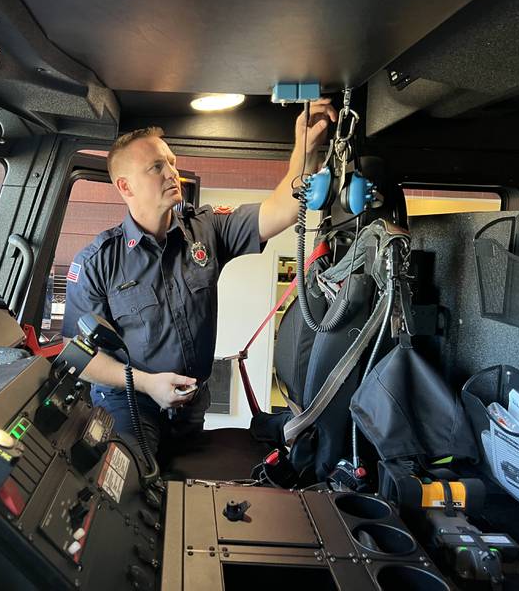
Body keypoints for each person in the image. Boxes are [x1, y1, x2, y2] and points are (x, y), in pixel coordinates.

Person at [62, 99, 337, 455]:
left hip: (191, 402)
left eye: (172, 163)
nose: (171, 173)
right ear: (125, 187)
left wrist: (304, 148)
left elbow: (283, 209)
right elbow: (76, 356)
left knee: (184, 484)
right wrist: (148, 384)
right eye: (156, 167)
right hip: (130, 402)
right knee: (135, 480)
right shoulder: (98, 262)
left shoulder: (206, 230)